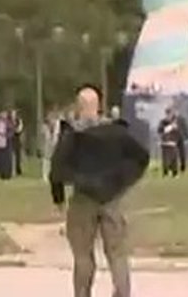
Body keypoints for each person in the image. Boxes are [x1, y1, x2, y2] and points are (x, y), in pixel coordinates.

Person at [49, 85, 149, 297]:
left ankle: (82, 293)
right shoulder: (116, 132)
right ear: (99, 106)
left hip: (83, 198)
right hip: (112, 198)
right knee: (117, 254)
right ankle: (122, 293)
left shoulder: (73, 135)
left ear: (78, 107)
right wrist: (123, 180)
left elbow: (56, 168)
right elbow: (141, 157)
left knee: (83, 256)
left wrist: (59, 197)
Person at [156, 108, 180, 177]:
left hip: (173, 142)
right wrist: (170, 127)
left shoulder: (174, 122)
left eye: (171, 114)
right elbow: (160, 130)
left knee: (174, 158)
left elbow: (177, 133)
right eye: (169, 113)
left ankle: (174, 173)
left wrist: (176, 140)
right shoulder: (163, 122)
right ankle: (166, 172)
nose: (170, 115)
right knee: (166, 159)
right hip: (165, 142)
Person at [9, 109, 25, 177]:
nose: (13, 115)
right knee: (10, 155)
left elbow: (19, 130)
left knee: (17, 156)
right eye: (12, 113)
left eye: (14, 113)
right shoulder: (8, 121)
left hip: (16, 139)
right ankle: (10, 169)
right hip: (10, 139)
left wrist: (14, 129)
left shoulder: (18, 121)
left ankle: (17, 170)